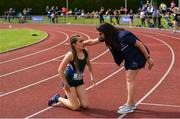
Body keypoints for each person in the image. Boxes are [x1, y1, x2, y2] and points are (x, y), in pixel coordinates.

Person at [84, 22, 154, 114]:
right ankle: (131, 103)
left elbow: (139, 44)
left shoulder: (123, 36)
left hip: (138, 56)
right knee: (129, 79)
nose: (99, 35)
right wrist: (79, 44)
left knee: (130, 79)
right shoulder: (109, 37)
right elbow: (92, 41)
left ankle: (129, 105)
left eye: (100, 33)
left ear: (107, 32)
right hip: (129, 57)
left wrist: (148, 58)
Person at [48, 34, 95, 110]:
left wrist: (92, 76)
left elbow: (89, 64)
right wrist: (65, 83)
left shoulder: (85, 52)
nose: (84, 42)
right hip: (69, 82)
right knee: (75, 107)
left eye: (83, 40)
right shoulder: (70, 54)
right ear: (74, 44)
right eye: (80, 41)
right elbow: (60, 69)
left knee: (85, 105)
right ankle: (57, 98)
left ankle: (70, 98)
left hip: (79, 81)